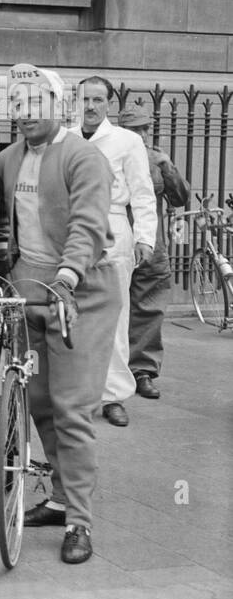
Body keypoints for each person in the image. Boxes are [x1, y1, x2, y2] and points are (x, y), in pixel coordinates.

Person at [0, 64, 118, 565]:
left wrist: (66, 277)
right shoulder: (6, 159)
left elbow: (87, 225)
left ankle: (80, 522)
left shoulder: (83, 157)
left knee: (72, 408)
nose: (24, 113)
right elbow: (7, 229)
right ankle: (63, 496)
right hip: (30, 286)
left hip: (80, 290)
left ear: (58, 105)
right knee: (39, 401)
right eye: (16, 104)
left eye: (34, 103)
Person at [76, 76, 156, 427]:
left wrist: (145, 238)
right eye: (85, 99)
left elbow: (142, 192)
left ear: (109, 103)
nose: (91, 106)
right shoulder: (63, 137)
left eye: (98, 100)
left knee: (116, 315)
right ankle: (77, 394)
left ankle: (113, 396)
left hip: (113, 231)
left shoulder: (127, 140)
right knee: (72, 315)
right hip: (72, 232)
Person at [120, 105, 190, 399]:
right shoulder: (110, 154)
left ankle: (142, 371)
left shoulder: (156, 158)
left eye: (146, 128)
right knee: (112, 310)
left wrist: (167, 166)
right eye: (136, 129)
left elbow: (180, 197)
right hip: (117, 244)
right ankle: (113, 373)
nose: (143, 134)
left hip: (152, 247)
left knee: (149, 309)